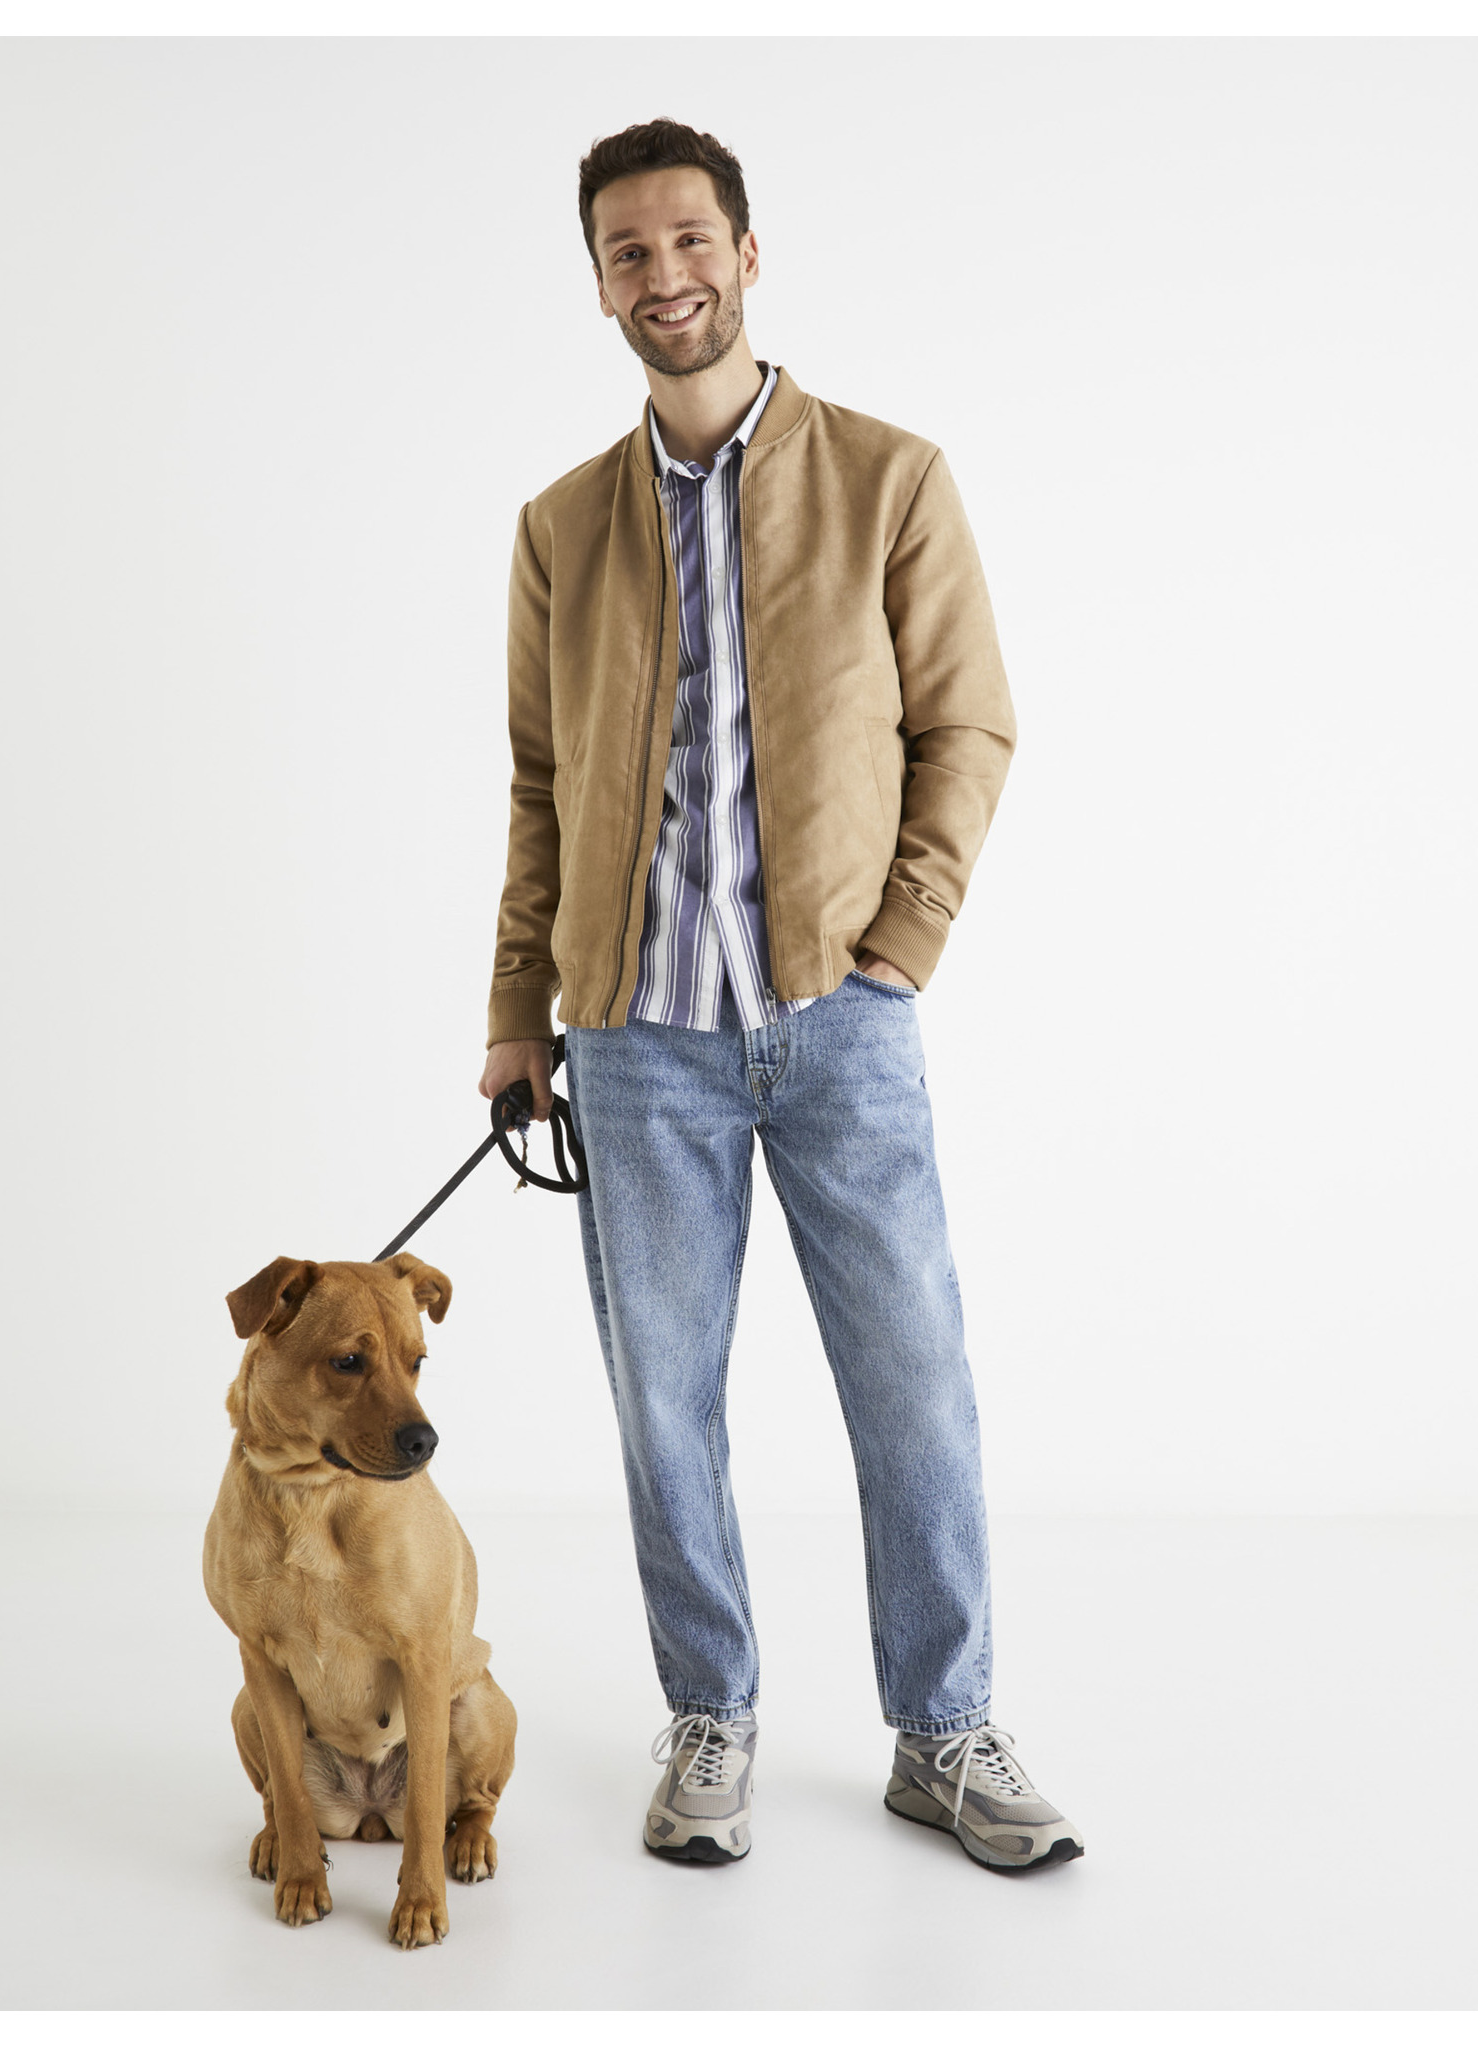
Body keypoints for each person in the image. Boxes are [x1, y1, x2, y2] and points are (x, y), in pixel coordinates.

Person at [478, 118, 1082, 1874]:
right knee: (663, 1405)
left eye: (690, 240)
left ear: (747, 253)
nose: (664, 275)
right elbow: (539, 782)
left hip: (841, 1016)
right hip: (634, 1034)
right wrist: (518, 1010)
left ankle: (944, 1729)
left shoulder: (890, 477)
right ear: (599, 286)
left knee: (913, 1384)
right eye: (628, 252)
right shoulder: (561, 527)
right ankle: (710, 1714)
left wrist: (907, 937)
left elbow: (968, 723)